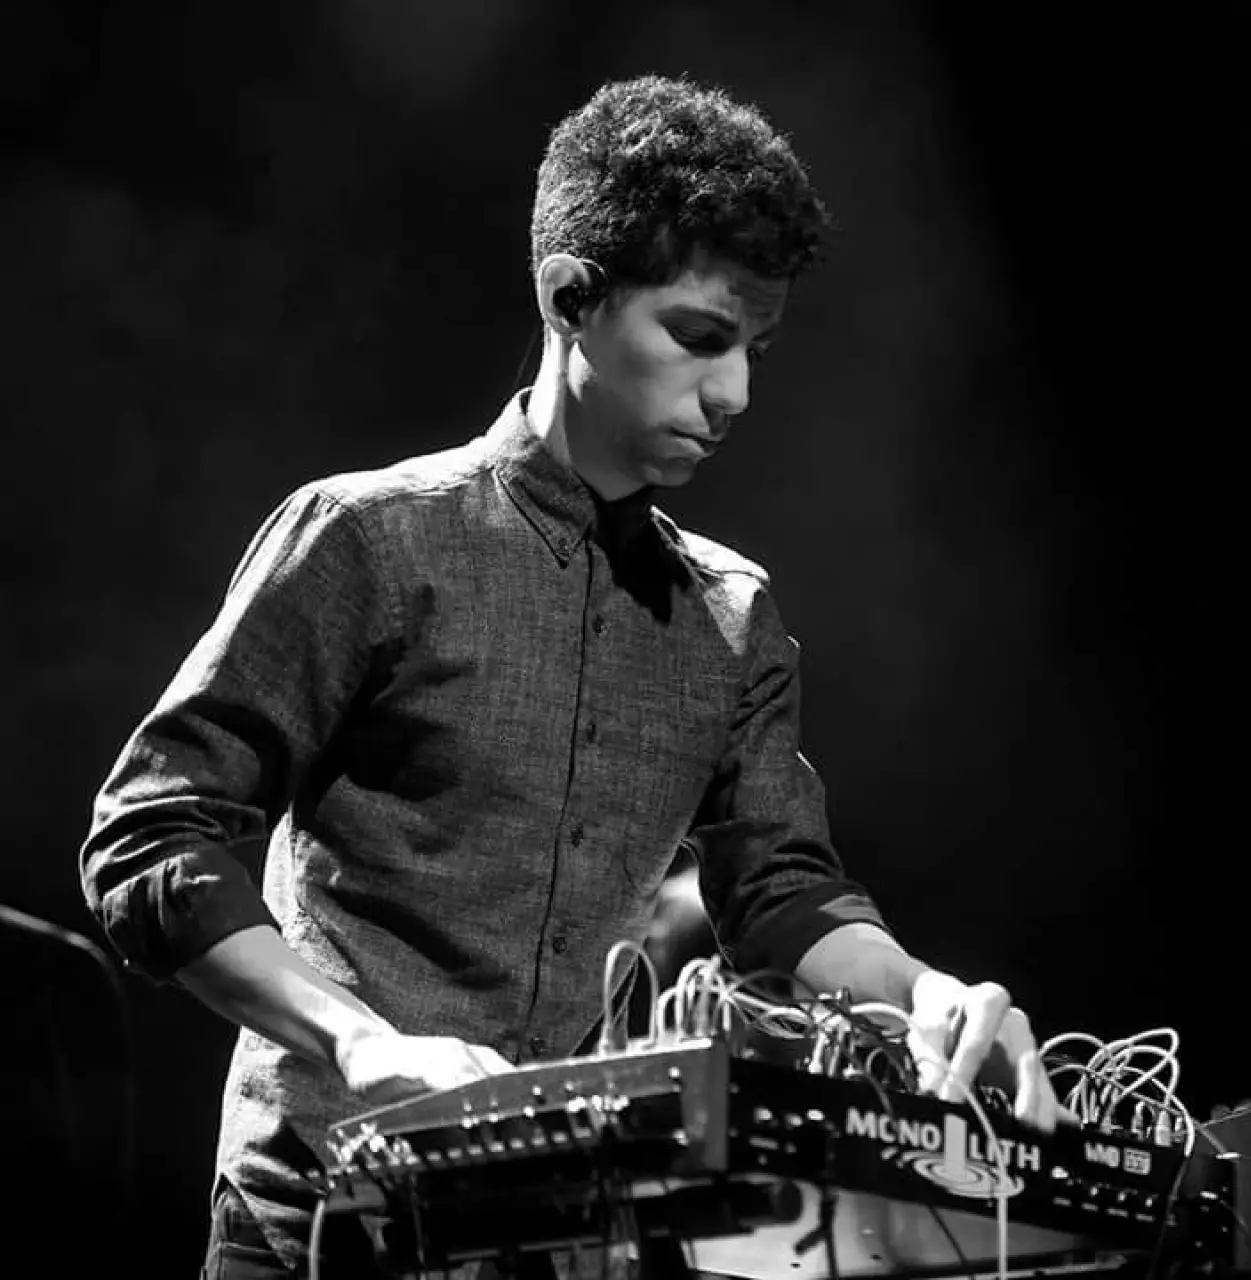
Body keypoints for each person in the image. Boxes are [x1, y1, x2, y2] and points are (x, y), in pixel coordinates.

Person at [79, 74, 1062, 1279]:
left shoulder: (732, 617)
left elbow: (780, 888)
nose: (736, 392)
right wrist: (361, 1041)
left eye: (756, 350)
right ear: (569, 297)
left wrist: (922, 993)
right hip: (321, 1214)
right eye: (699, 337)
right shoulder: (369, 539)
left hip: (563, 1230)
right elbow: (150, 836)